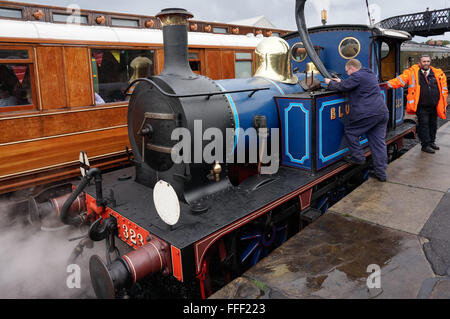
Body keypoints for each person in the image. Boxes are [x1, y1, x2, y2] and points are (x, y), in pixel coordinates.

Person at [324, 59, 389, 182]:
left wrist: (329, 83)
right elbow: (352, 83)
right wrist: (341, 81)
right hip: (381, 112)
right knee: (378, 144)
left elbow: (343, 87)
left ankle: (358, 157)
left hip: (369, 113)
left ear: (352, 68)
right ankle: (381, 173)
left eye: (347, 71)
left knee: (350, 131)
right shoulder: (369, 74)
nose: (347, 74)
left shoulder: (357, 76)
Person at [386, 55, 448, 153]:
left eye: (428, 61)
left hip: (435, 105)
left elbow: (444, 89)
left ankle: (432, 142)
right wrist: (386, 85)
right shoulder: (412, 73)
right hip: (421, 106)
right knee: (424, 125)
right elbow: (399, 80)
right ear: (419, 63)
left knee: (433, 125)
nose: (426, 63)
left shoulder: (438, 73)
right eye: (424, 61)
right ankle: (425, 145)